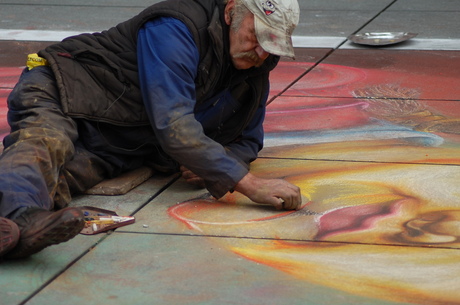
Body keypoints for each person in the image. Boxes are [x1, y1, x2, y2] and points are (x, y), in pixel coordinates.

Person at [0, 0, 301, 260]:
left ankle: (15, 231)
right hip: (65, 91)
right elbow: (174, 126)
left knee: (56, 179)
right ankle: (21, 220)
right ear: (231, 12)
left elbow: (248, 139)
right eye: (257, 36)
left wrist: (223, 161)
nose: (261, 53)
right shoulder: (176, 28)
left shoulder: (256, 64)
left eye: (272, 44)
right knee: (44, 144)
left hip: (119, 138)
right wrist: (248, 183)